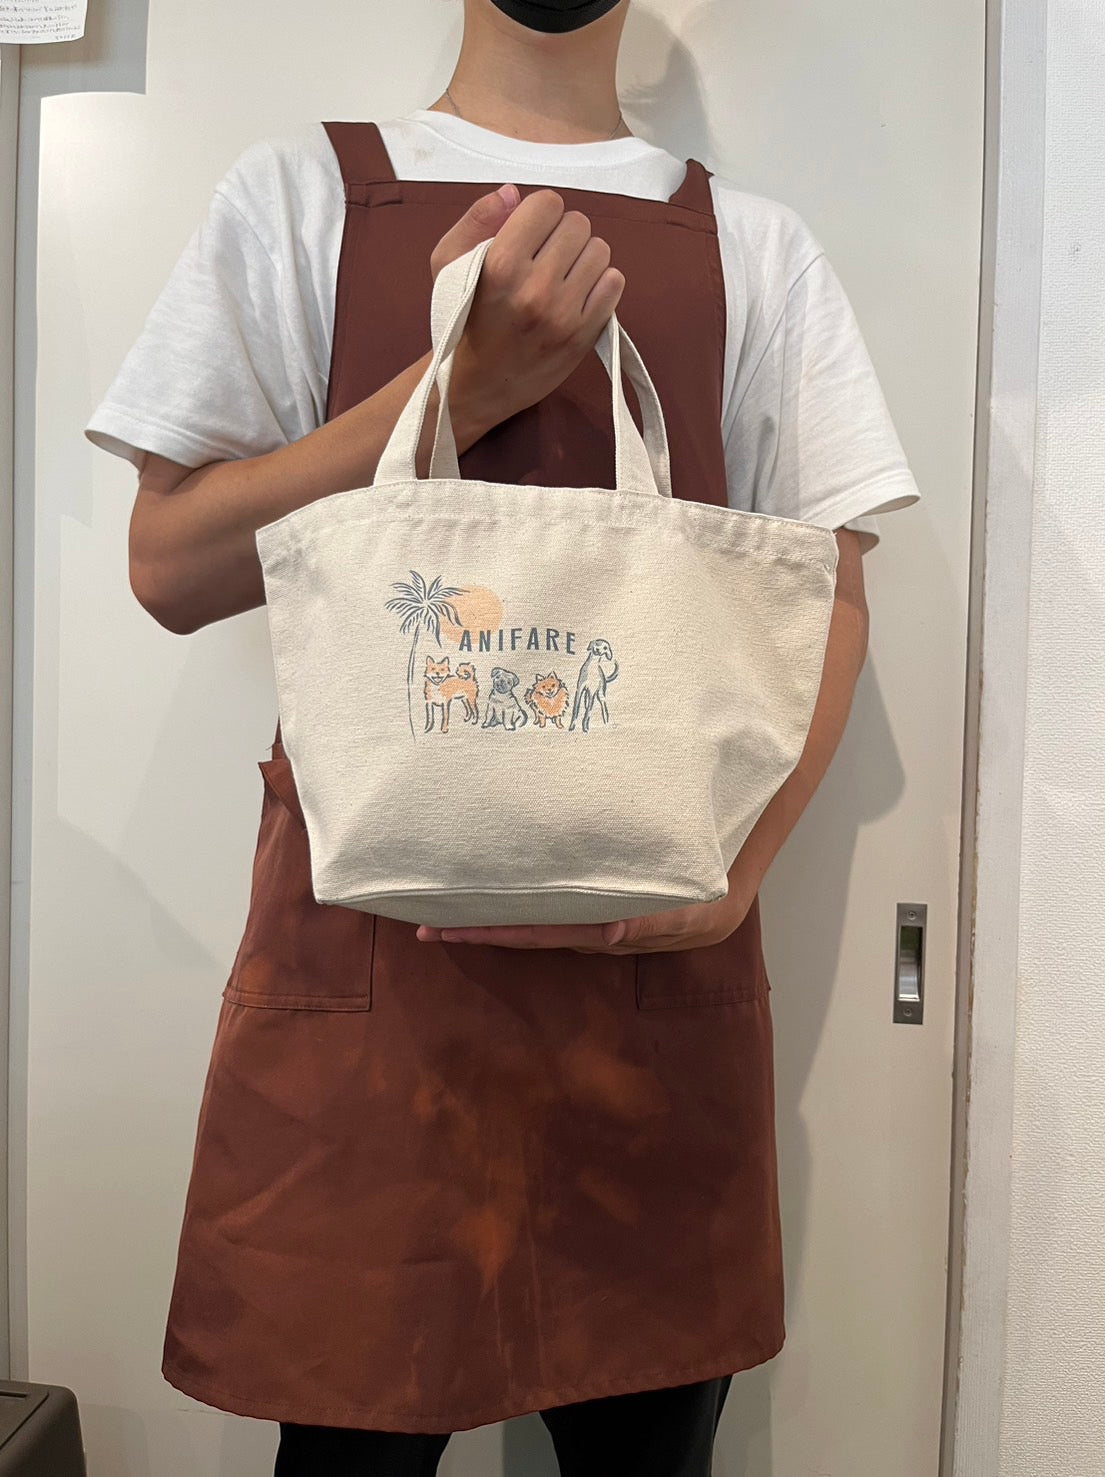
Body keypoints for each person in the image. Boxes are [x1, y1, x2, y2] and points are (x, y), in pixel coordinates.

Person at [85, 1, 921, 1472]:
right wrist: (456, 392)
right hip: (369, 1014)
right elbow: (170, 566)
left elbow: (828, 593)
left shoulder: (757, 249)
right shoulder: (301, 195)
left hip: (648, 1003)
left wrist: (743, 873)